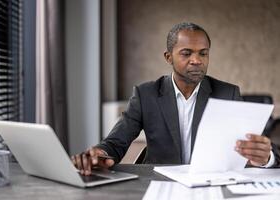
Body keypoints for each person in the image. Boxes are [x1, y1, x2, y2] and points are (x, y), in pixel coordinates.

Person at [72, 22, 280, 175]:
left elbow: (264, 147)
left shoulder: (228, 93)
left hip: (212, 184)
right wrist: (99, 155)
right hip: (159, 183)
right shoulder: (146, 94)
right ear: (168, 57)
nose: (196, 60)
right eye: (186, 53)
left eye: (203, 53)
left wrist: (266, 156)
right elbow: (115, 143)